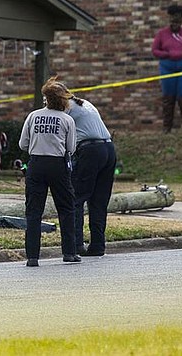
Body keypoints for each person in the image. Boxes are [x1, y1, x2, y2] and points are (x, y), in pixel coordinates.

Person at [18, 76, 79, 267]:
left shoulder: (33, 116)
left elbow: (23, 144)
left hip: (36, 164)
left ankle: (32, 257)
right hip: (58, 165)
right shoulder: (67, 120)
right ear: (63, 99)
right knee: (67, 208)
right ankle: (69, 252)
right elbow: (71, 148)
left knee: (34, 211)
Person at [64, 91, 117, 257]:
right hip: (108, 149)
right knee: (99, 201)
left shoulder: (65, 108)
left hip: (89, 150)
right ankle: (98, 246)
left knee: (76, 198)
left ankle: (76, 245)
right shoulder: (84, 104)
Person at [151, 4, 182, 133]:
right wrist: (167, 55)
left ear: (181, 21)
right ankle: (167, 127)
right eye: (173, 19)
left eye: (178, 20)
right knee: (168, 96)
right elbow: (155, 50)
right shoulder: (162, 34)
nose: (175, 22)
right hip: (167, 67)